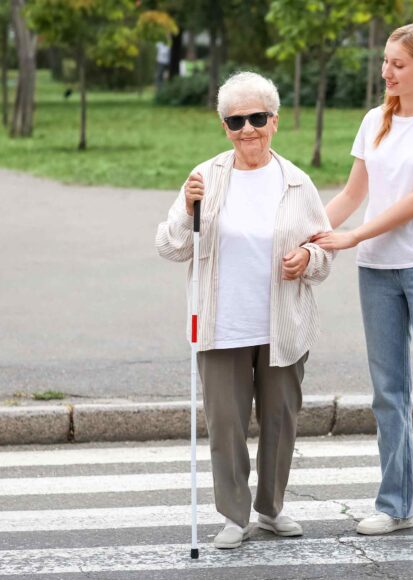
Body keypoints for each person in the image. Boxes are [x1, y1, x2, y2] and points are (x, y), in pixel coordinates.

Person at [312, 23, 413, 552]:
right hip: (376, 271)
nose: (386, 72)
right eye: (384, 62)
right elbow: (352, 194)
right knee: (388, 395)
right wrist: (307, 232)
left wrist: (354, 235)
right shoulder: (374, 122)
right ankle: (396, 506)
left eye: (398, 65)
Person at [156, 71, 333, 549]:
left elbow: (325, 251)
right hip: (221, 323)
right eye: (236, 121)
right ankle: (233, 515)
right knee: (227, 425)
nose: (247, 129)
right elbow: (172, 247)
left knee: (281, 420)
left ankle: (271, 510)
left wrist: (309, 258)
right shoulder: (205, 177)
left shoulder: (296, 182)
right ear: (225, 127)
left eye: (257, 118)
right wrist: (186, 210)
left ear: (274, 121)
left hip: (282, 324)